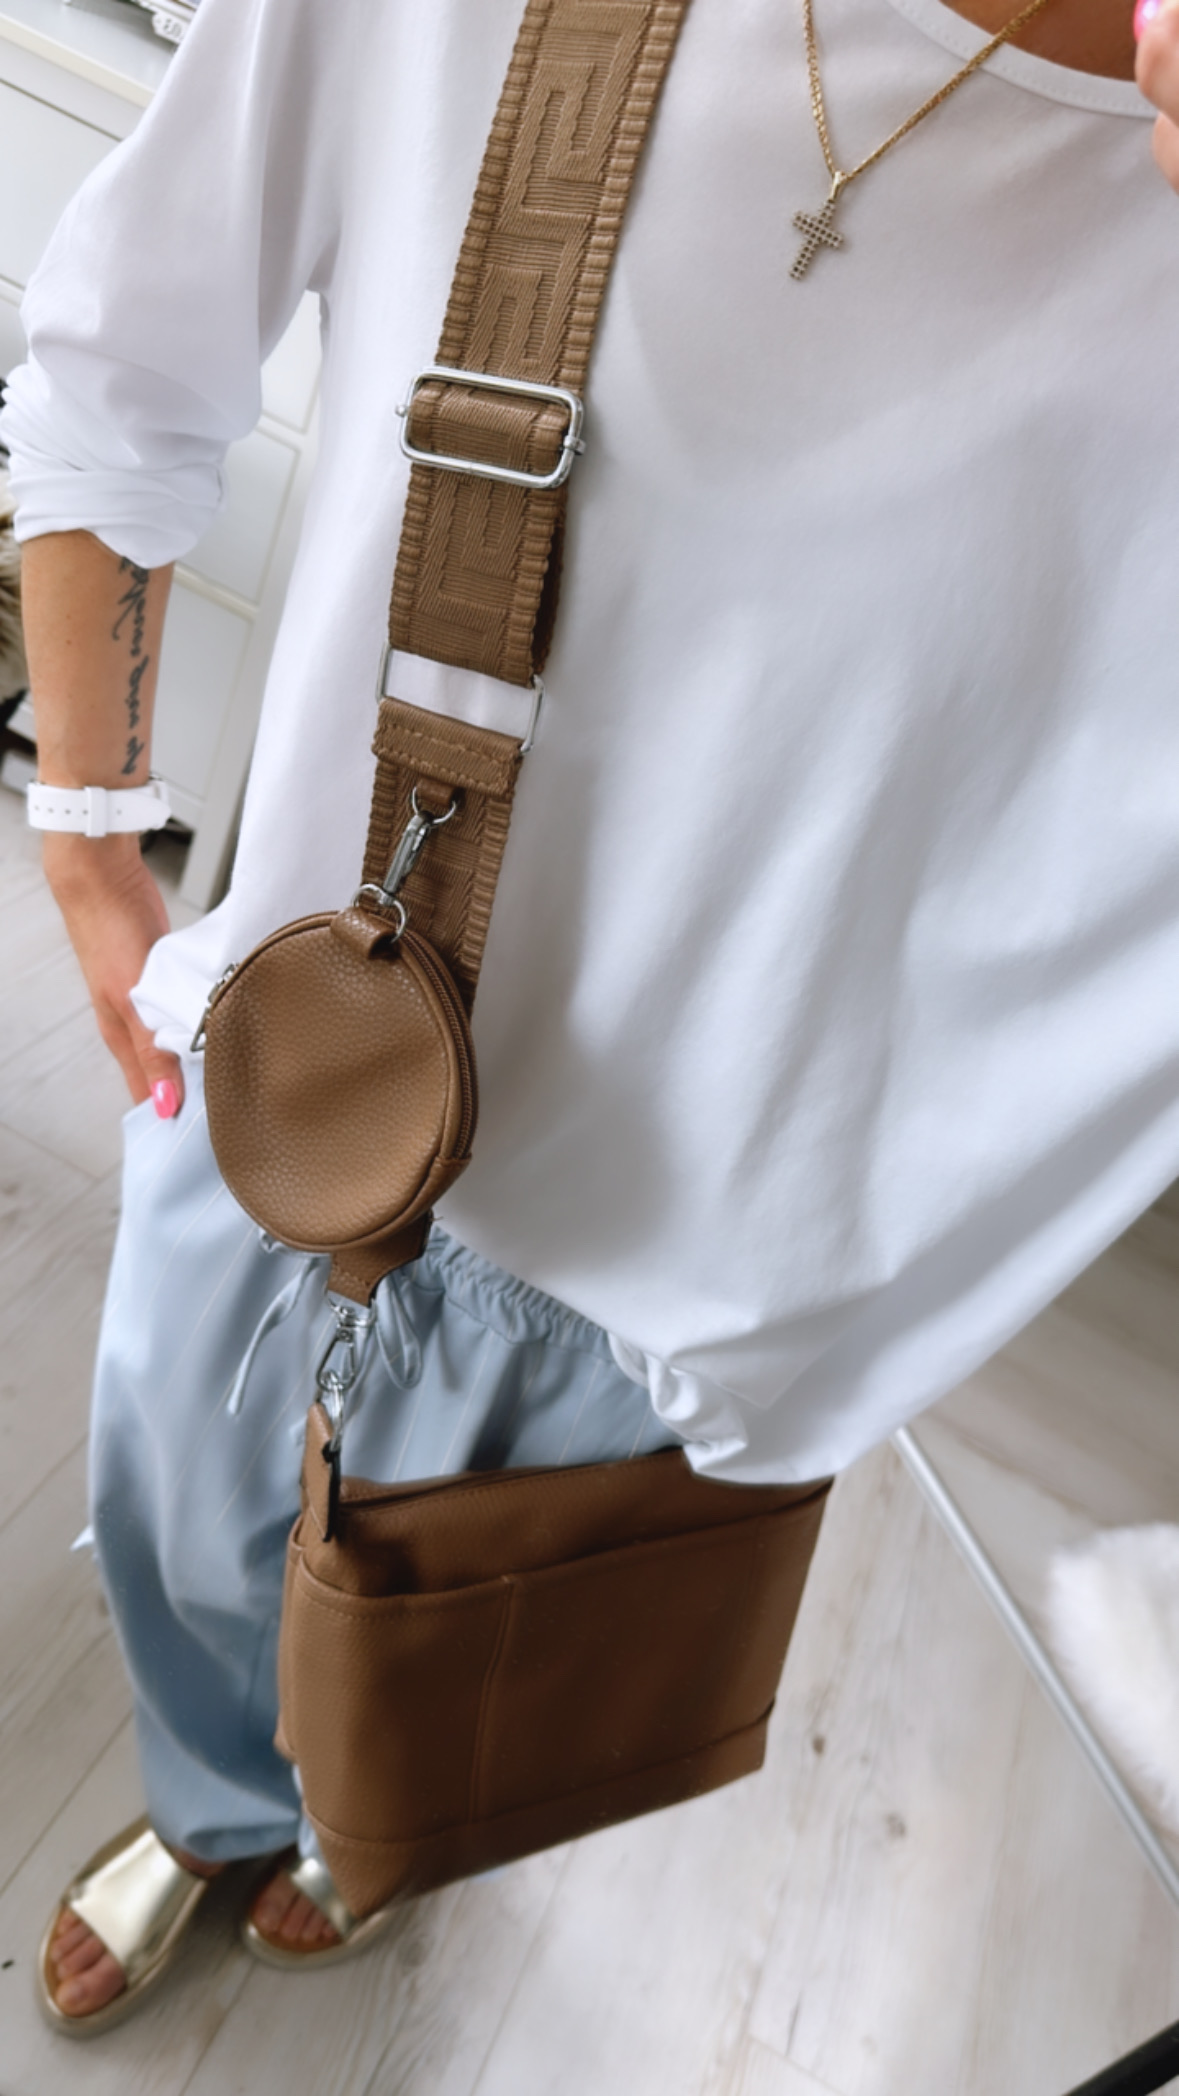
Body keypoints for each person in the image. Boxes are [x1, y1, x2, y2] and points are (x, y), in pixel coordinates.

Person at [7, 0, 1179, 2036]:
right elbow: (131, 338)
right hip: (311, 1080)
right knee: (186, 1529)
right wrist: (95, 828)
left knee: (469, 1662)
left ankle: (361, 1826)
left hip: (710, 1271)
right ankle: (210, 1808)